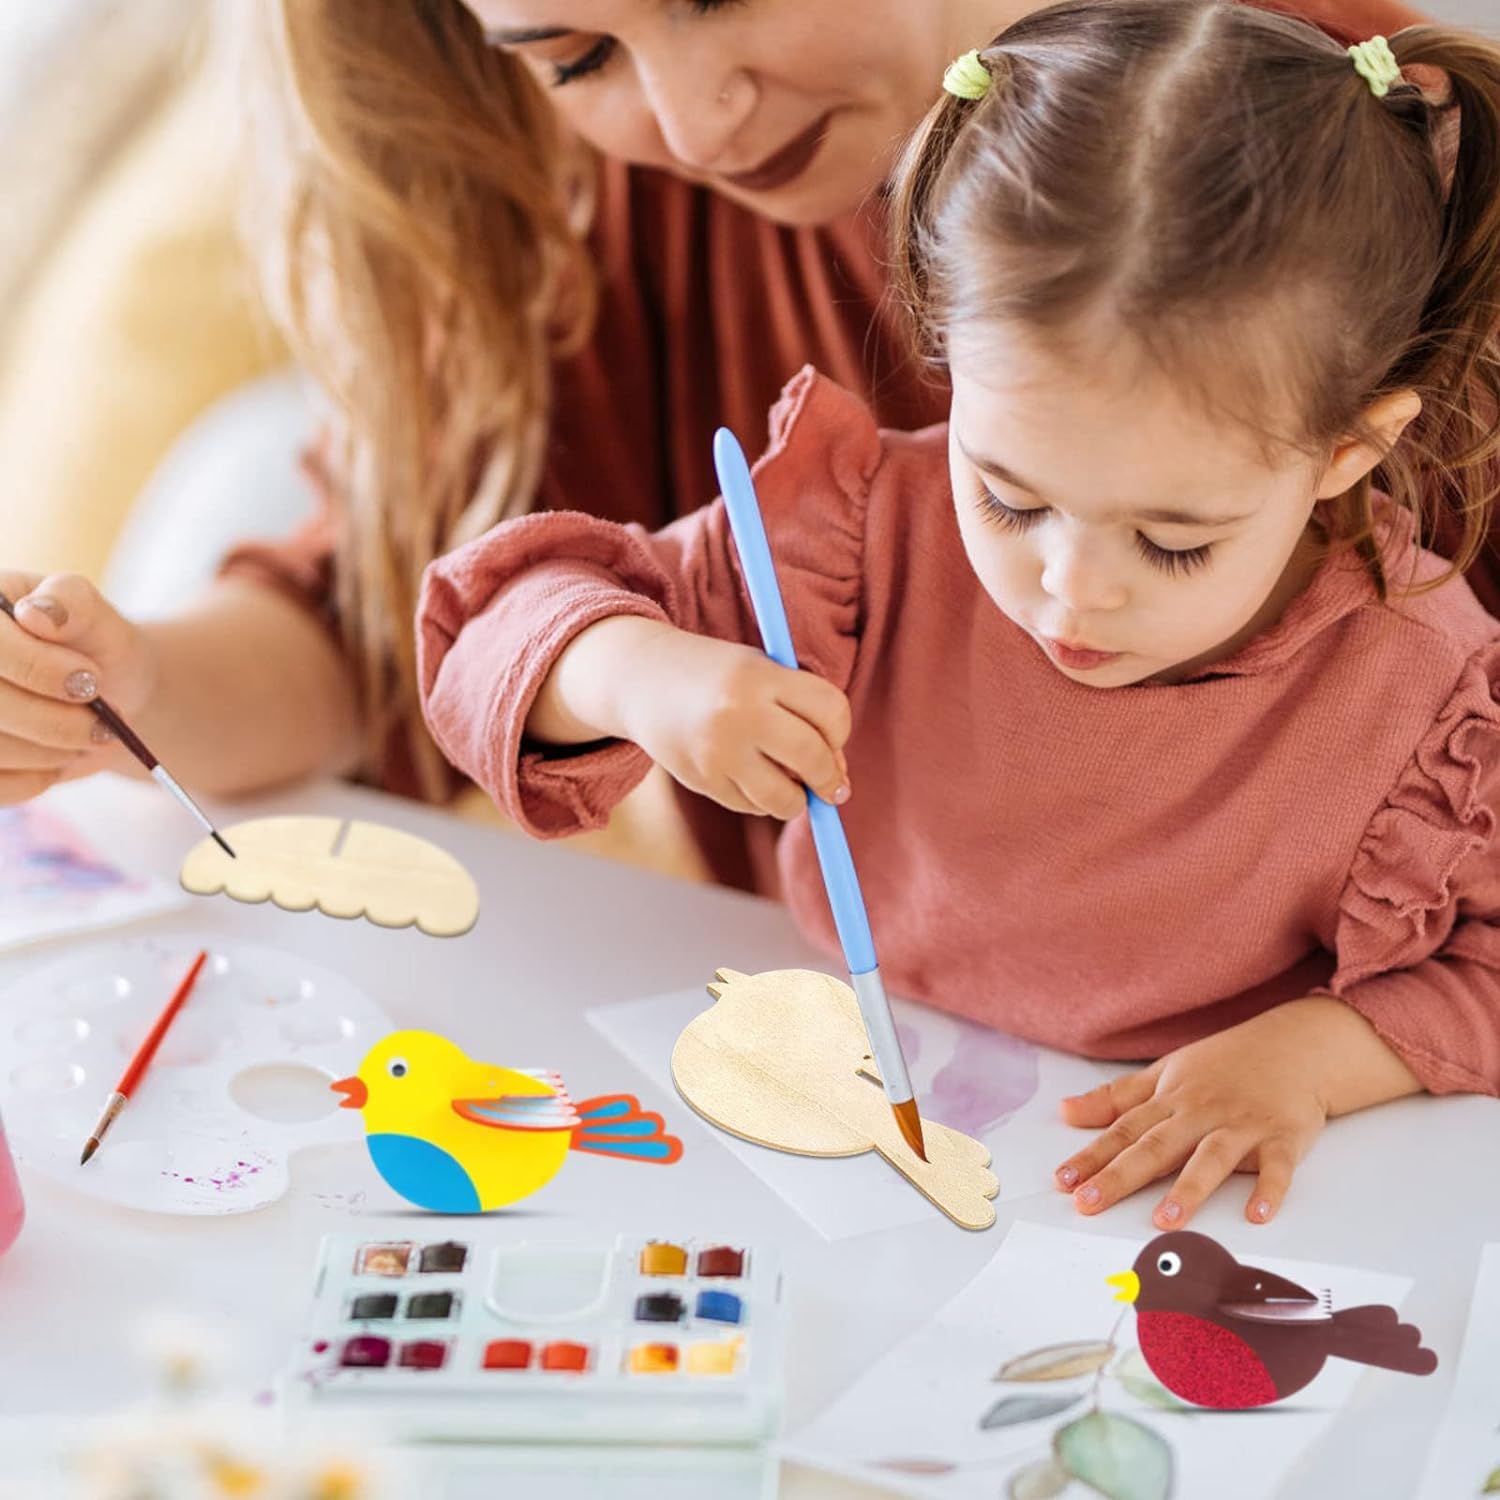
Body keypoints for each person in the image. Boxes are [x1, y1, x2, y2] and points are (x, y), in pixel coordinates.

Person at [414, 3, 1500, 1229]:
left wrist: (1317, 1053)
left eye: (1173, 540)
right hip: (835, 1125)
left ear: (1353, 448)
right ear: (949, 360)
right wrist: (640, 677)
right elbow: (483, 631)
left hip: (1188, 1196)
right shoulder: (864, 535)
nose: (1071, 589)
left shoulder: (1427, 696)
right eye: (1008, 495)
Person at [0, 0, 1434, 896]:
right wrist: (117, 688)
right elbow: (390, 625)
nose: (692, 124)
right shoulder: (606, 214)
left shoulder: (1335, 166)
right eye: (575, 56)